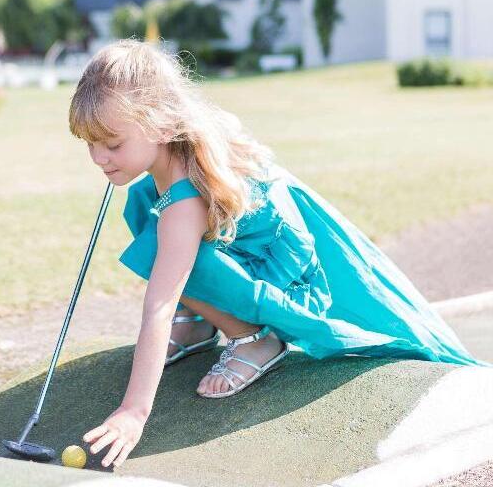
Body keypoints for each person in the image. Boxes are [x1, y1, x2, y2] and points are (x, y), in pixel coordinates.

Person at [67, 39, 488, 469]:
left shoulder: (182, 203)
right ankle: (198, 324)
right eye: (89, 143)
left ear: (159, 125)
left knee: (163, 248)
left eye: (112, 144)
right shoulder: (166, 161)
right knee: (143, 209)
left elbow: (159, 303)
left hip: (284, 283)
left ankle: (255, 339)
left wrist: (134, 412)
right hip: (245, 258)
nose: (98, 157)